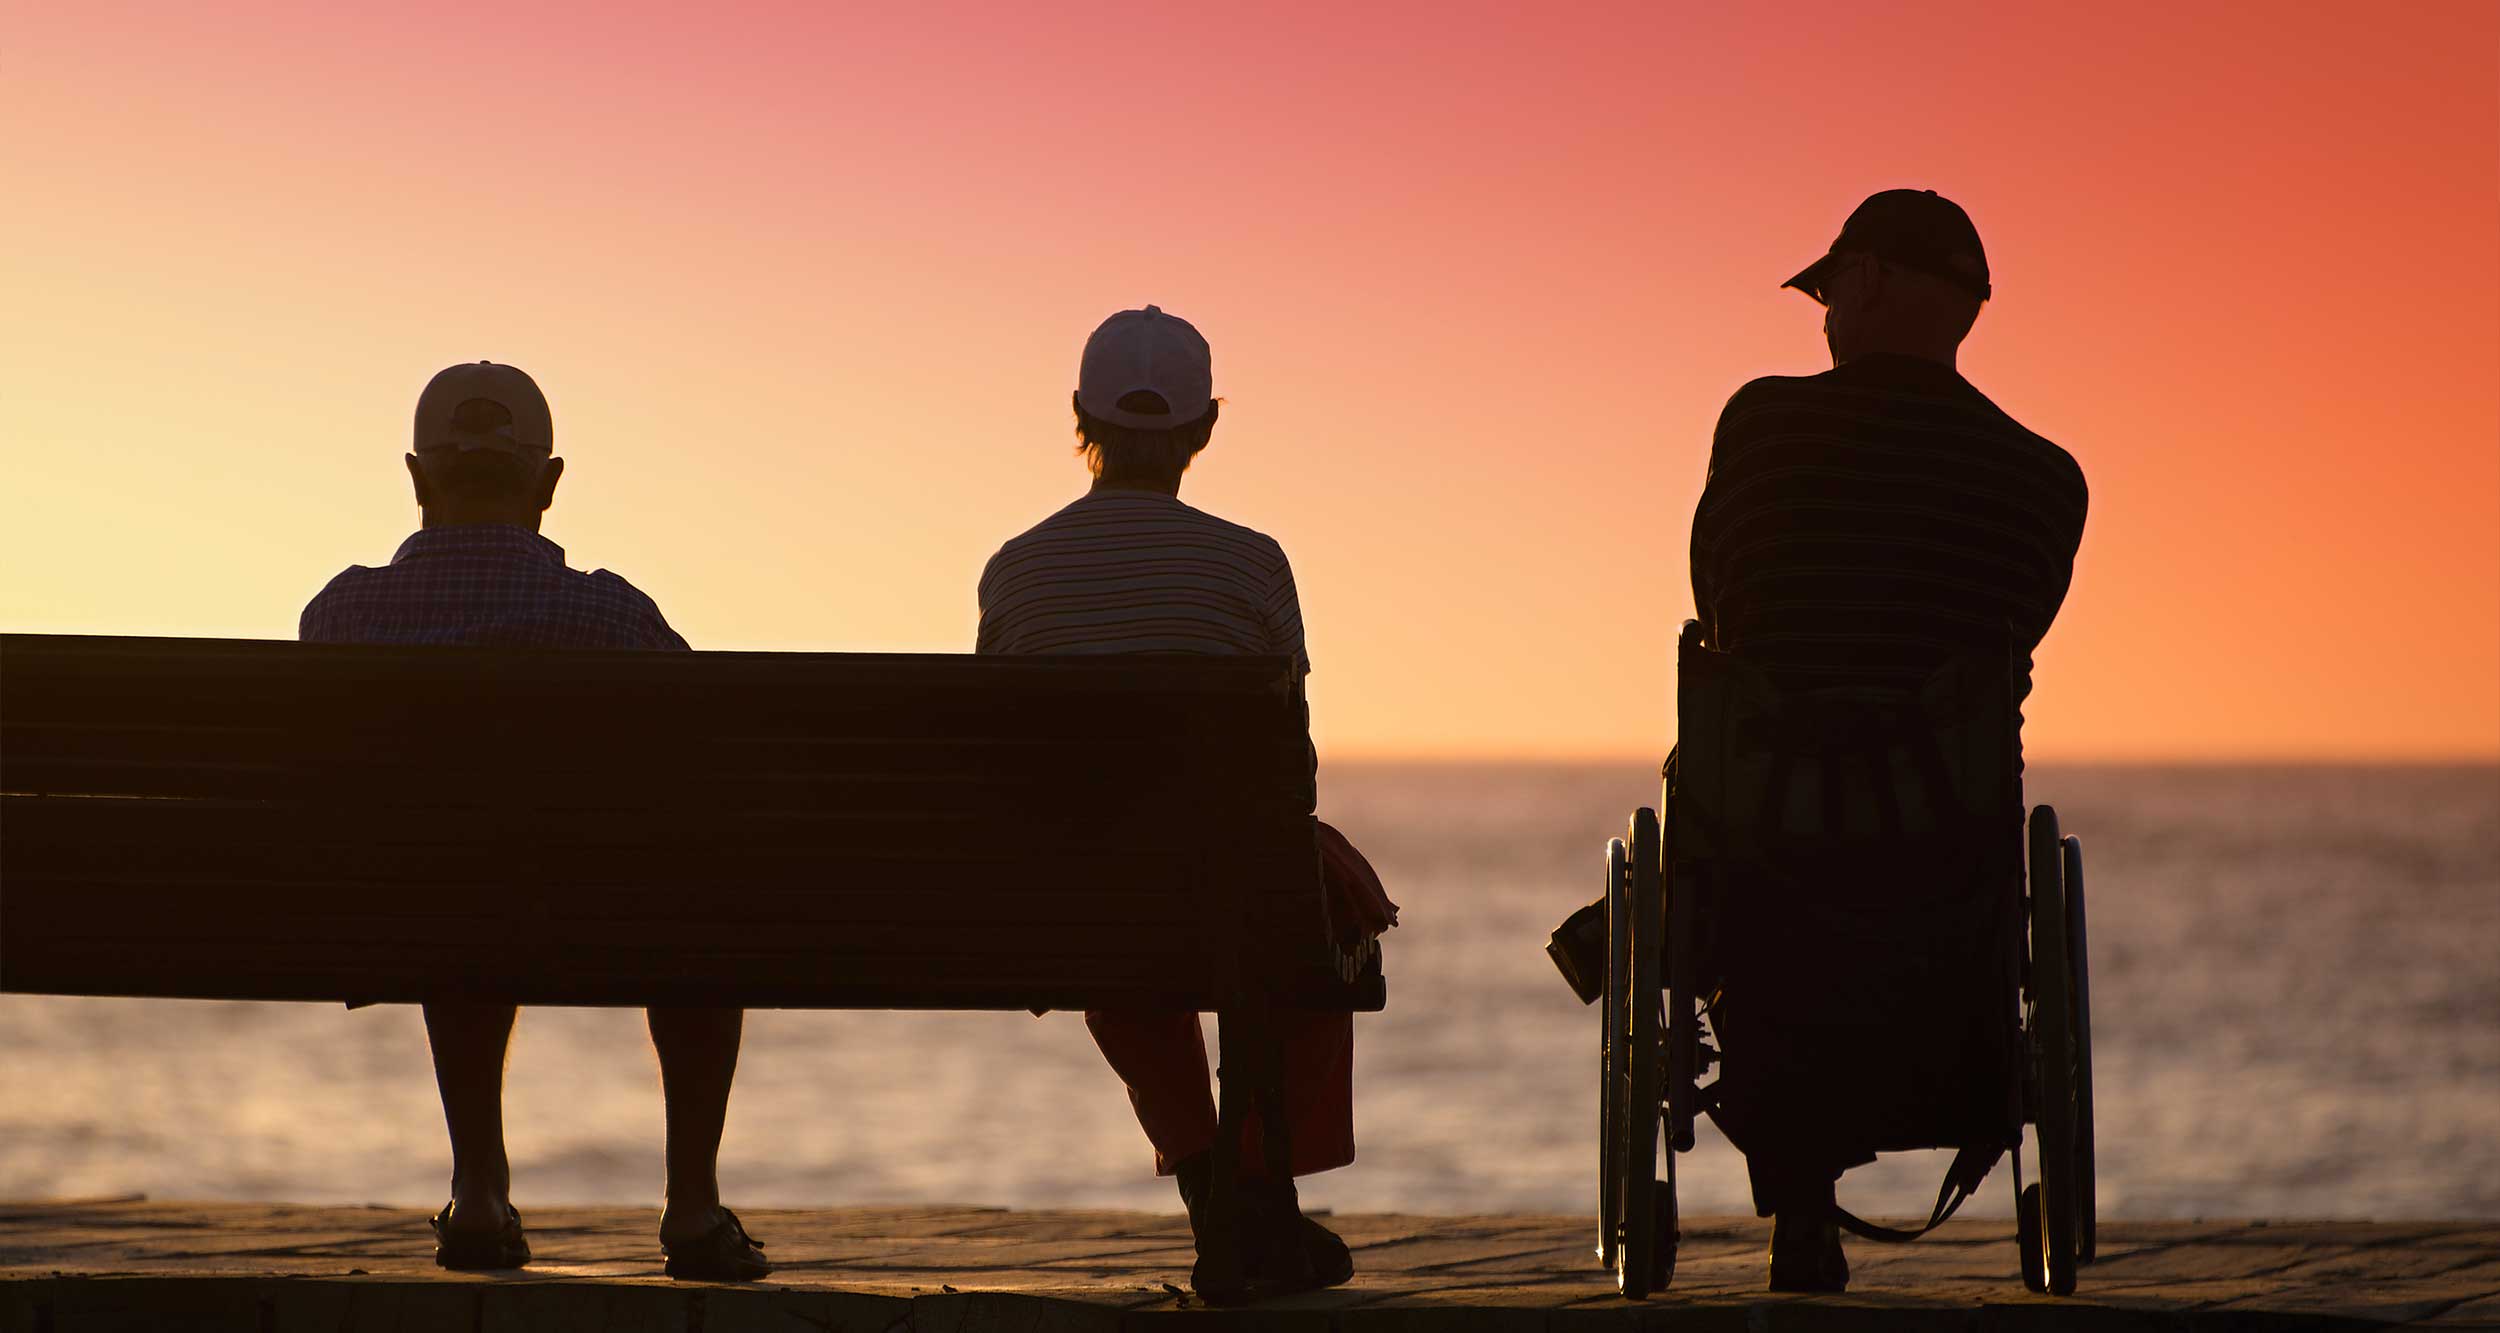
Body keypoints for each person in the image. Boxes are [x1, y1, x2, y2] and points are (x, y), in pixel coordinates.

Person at [299, 361, 770, 1282]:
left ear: (417, 477)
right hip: (596, 914)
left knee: (458, 885)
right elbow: (712, 770)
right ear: (549, 484)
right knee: (704, 905)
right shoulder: (613, 616)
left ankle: (478, 1189)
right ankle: (692, 1207)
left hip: (406, 913)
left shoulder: (340, 615)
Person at [1702, 189, 2089, 1292]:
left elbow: (1723, 612)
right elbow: (2008, 648)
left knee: (1743, 768)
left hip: (1769, 824)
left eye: (1827, 292)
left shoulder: (1762, 423)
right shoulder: (2042, 479)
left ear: (1866, 283)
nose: (1821, 318)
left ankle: (1800, 1202)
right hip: (1941, 835)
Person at [975, 307, 1357, 1302]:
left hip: (1081, 897)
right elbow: (1292, 763)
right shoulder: (1250, 563)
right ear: (1206, 427)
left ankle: (1215, 1195)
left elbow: (996, 764)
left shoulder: (1016, 570)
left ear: (1077, 417)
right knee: (1318, 916)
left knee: (1120, 926)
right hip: (1230, 884)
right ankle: (1258, 1195)